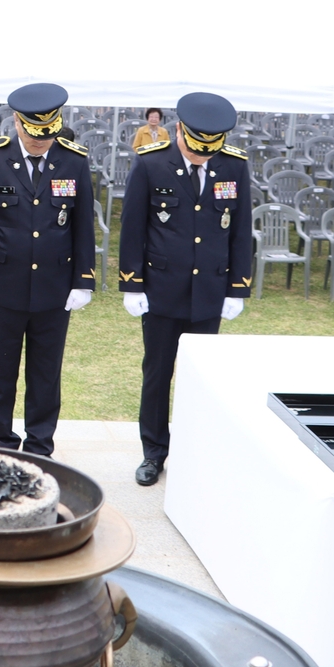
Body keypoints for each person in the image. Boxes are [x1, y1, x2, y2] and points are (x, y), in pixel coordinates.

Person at [119, 92, 252, 486]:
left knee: (201, 379)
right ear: (181, 130)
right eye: (196, 150)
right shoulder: (151, 163)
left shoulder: (234, 166)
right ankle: (154, 453)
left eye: (208, 152)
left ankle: (194, 451)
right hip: (160, 290)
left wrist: (236, 288)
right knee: (158, 375)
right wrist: (132, 283)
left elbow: (241, 231)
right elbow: (133, 229)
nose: (201, 158)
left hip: (209, 290)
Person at [0, 83, 96, 458]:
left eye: (48, 133)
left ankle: (40, 442)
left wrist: (83, 280)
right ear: (18, 123)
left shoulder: (73, 160)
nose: (40, 141)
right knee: (1, 369)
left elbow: (82, 224)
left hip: (55, 286)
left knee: (46, 372)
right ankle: (2, 440)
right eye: (34, 133)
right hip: (3, 286)